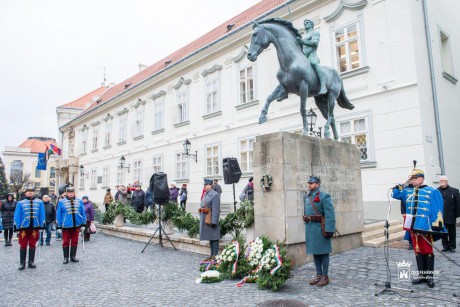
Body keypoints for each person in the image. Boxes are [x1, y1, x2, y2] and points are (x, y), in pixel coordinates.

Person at [392, 169, 446, 288]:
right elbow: (394, 194)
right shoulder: (406, 191)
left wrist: (437, 225)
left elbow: (438, 209)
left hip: (426, 227)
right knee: (418, 250)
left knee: (428, 250)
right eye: (412, 178)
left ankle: (429, 277)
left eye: (415, 178)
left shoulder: (432, 191)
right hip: (413, 226)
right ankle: (422, 276)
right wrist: (404, 183)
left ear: (422, 179)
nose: (413, 180)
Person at [303, 176, 335, 287]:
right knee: (315, 252)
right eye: (309, 183)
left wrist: (329, 230)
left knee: (324, 253)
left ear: (318, 184)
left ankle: (325, 276)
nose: (309, 185)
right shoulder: (306, 196)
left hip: (321, 228)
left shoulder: (324, 196)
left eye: (312, 183)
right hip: (310, 228)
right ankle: (318, 275)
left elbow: (330, 215)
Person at [13, 184, 45, 270]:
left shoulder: (39, 202)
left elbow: (42, 215)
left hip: (35, 226)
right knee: (23, 244)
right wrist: (17, 227)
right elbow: (17, 216)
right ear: (26, 193)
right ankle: (22, 263)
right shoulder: (20, 203)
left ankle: (31, 262)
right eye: (28, 192)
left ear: (34, 192)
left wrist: (42, 226)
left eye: (31, 191)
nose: (30, 193)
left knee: (32, 244)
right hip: (24, 227)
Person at [56, 186, 86, 264]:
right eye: (69, 192)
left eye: (72, 192)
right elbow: (59, 214)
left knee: (75, 241)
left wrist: (83, 224)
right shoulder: (61, 202)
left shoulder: (79, 201)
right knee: (65, 241)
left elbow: (83, 213)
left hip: (77, 224)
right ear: (66, 193)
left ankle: (73, 256)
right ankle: (66, 257)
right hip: (66, 225)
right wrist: (58, 226)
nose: (71, 194)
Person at [297, 19, 327, 95]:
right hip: (304, 57)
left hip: (312, 55)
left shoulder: (315, 32)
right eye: (304, 23)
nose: (305, 24)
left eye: (307, 22)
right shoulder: (304, 35)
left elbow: (315, 43)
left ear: (311, 24)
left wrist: (302, 41)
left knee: (315, 64)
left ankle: (323, 86)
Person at [199, 179, 221, 258]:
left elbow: (216, 209)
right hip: (206, 219)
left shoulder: (215, 195)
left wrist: (214, 221)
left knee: (214, 237)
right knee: (210, 237)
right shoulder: (205, 194)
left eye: (206, 184)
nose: (205, 186)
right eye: (204, 184)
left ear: (211, 185)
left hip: (211, 219)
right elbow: (202, 204)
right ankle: (212, 255)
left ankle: (215, 255)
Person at [438, 175, 460, 252]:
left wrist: (457, 215)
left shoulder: (455, 191)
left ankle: (452, 246)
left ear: (447, 182)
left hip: (451, 215)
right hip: (440, 215)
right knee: (443, 232)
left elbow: (458, 204)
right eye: (440, 181)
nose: (442, 182)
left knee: (452, 232)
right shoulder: (436, 191)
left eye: (443, 181)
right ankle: (445, 246)